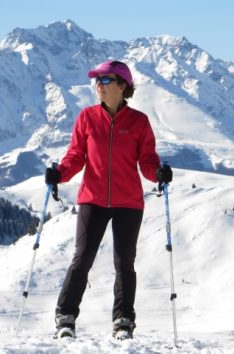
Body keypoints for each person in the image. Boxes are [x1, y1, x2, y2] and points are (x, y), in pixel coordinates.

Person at [45, 59, 173, 340]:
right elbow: (76, 156)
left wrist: (158, 173)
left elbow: (147, 160)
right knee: (82, 259)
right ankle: (65, 318)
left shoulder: (139, 122)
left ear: (122, 85)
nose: (98, 86)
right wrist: (59, 174)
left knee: (124, 263)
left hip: (128, 202)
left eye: (104, 80)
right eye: (97, 81)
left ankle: (123, 321)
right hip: (93, 199)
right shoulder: (87, 118)